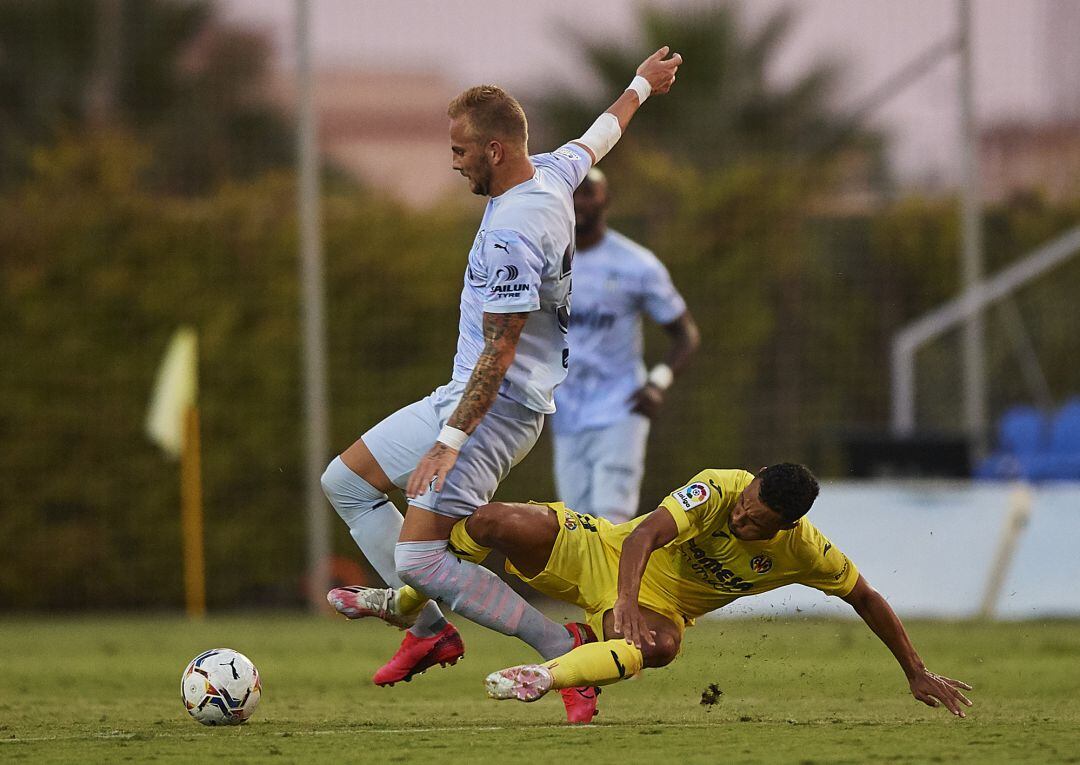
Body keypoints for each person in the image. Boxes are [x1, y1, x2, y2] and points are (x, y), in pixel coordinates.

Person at [319, 48, 683, 723]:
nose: (453, 161)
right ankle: (429, 631)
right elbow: (600, 133)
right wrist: (642, 83)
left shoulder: (517, 229)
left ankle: (562, 646)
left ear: (493, 148)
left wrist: (451, 440)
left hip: (495, 406)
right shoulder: (549, 172)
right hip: (466, 392)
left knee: (422, 559)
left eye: (460, 150)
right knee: (344, 482)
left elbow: (502, 346)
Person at [437, 464, 973, 721]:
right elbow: (644, 535)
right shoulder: (720, 486)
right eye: (745, 503)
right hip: (603, 550)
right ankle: (411, 593)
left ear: (784, 528)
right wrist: (623, 600)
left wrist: (915, 670)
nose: (739, 515)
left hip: (658, 608)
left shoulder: (806, 553)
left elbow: (867, 599)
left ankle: (550, 674)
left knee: (663, 647)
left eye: (753, 519)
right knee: (492, 522)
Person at [551, 168, 699, 523]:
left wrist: (658, 384)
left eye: (589, 192)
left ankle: (616, 580)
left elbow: (686, 334)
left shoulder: (636, 264)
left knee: (612, 514)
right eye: (574, 193)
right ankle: (587, 581)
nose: (580, 201)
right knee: (574, 520)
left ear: (606, 201)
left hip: (620, 405)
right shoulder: (547, 259)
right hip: (565, 407)